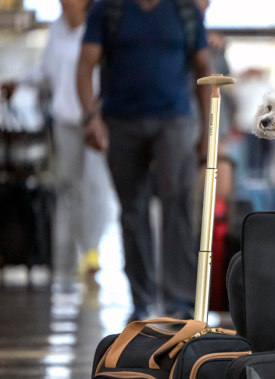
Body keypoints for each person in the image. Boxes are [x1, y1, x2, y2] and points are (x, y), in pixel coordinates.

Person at [76, 0, 211, 321]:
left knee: (177, 203)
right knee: (132, 210)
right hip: (121, 123)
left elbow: (204, 68)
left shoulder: (184, 11)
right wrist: (90, 118)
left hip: (175, 121)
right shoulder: (108, 9)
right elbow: (85, 65)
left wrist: (208, 130)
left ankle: (180, 299)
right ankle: (141, 299)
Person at [2, 0, 117, 290]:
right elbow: (46, 73)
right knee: (70, 186)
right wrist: (20, 83)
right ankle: (77, 247)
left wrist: (100, 113)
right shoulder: (57, 31)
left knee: (94, 185)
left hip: (95, 119)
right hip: (65, 119)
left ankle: (91, 250)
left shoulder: (99, 25)